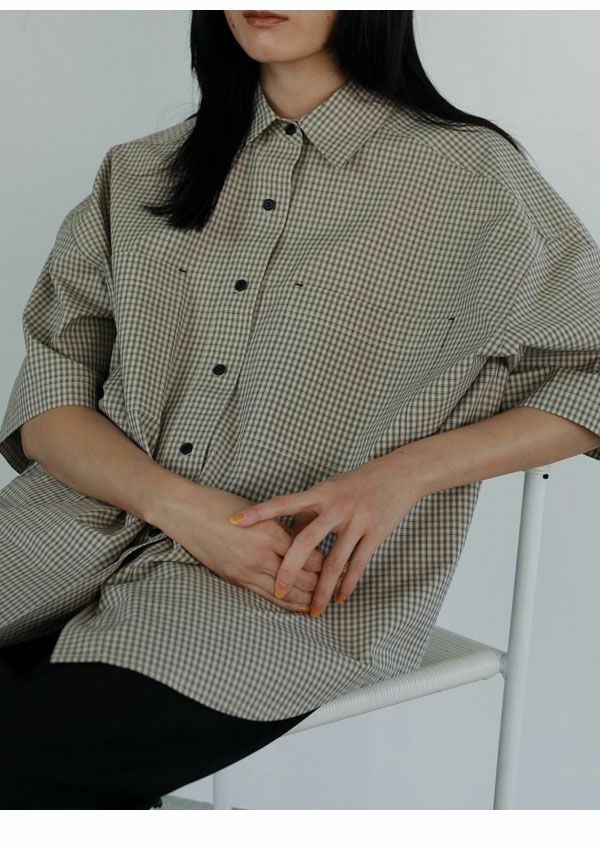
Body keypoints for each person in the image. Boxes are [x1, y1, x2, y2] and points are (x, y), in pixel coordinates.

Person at [1, 10, 600, 809]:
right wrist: (183, 509)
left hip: (282, 588)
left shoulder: (468, 173)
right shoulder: (140, 171)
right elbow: (50, 403)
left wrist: (399, 477)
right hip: (58, 536)